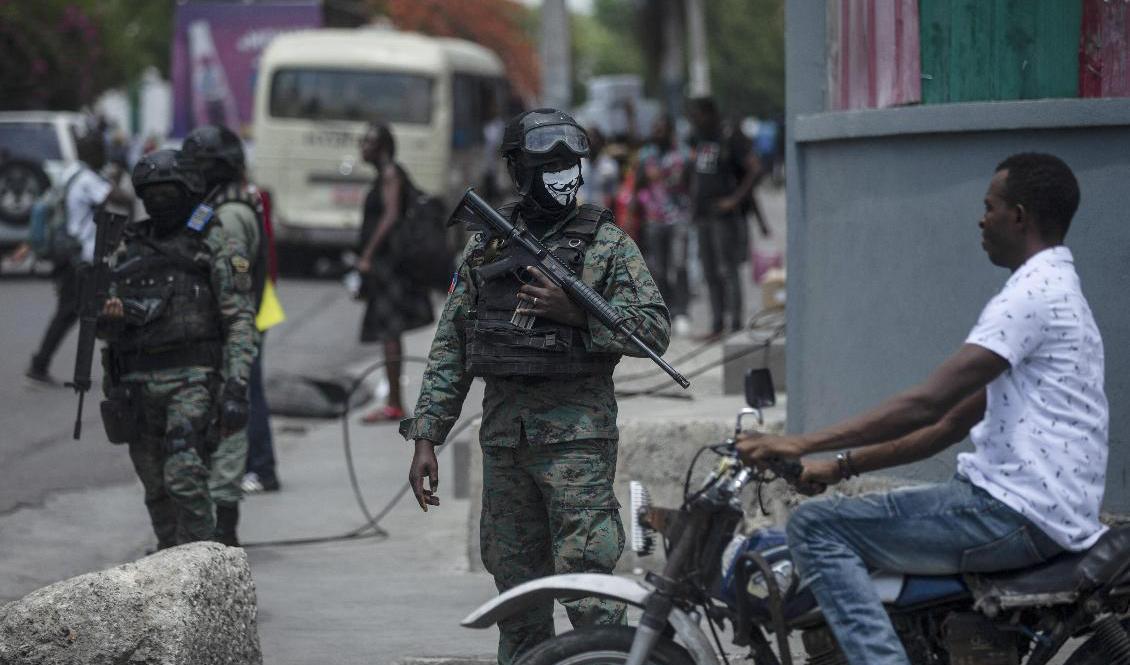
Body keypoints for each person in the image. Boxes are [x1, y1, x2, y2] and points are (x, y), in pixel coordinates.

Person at [737, 153, 1106, 665]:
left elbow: (928, 403)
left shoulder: (1030, 296)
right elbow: (950, 424)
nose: (981, 220)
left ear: (1019, 216)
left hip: (1010, 512)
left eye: (990, 207)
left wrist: (797, 441)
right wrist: (839, 467)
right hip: (1039, 511)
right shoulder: (1060, 290)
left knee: (815, 527)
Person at [401, 108, 671, 665]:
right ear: (520, 171)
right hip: (507, 444)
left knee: (590, 590)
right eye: (550, 167)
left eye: (571, 166)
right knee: (517, 595)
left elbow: (653, 331)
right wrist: (427, 436)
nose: (564, 178)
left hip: (577, 444)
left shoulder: (607, 244)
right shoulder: (486, 246)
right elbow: (452, 344)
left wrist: (575, 313)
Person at [98, 149, 258, 549]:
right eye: (150, 194)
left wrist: (236, 384)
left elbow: (239, 318)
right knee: (155, 487)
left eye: (167, 193)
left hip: (192, 383)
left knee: (184, 476)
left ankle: (204, 560)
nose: (158, 201)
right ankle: (170, 561)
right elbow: (104, 324)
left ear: (188, 191)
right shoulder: (127, 246)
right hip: (135, 386)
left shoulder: (214, 241)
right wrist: (110, 317)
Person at [183, 124, 279, 546]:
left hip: (233, 333)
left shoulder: (232, 214)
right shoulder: (214, 207)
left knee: (235, 411)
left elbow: (231, 288)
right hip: (222, 334)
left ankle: (222, 534)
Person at [26, 122, 131, 384]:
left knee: (73, 311)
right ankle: (118, 370)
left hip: (67, 252)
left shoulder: (71, 172)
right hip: (81, 257)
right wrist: (117, 176)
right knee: (100, 310)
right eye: (100, 151)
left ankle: (40, 364)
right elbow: (121, 199)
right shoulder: (87, 179)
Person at [355, 122, 435, 424]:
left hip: (392, 267)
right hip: (388, 266)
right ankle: (394, 401)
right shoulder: (385, 175)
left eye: (368, 142)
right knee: (388, 331)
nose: (363, 147)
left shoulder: (391, 174)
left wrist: (367, 255)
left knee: (390, 331)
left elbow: (389, 216)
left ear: (383, 147)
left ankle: (394, 404)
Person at [686, 96, 762, 340]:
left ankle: (736, 324)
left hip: (723, 215)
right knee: (709, 272)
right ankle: (717, 324)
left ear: (710, 113)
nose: (694, 120)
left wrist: (735, 199)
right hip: (702, 213)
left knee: (728, 270)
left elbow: (754, 168)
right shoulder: (698, 137)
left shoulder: (729, 136)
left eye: (697, 115)